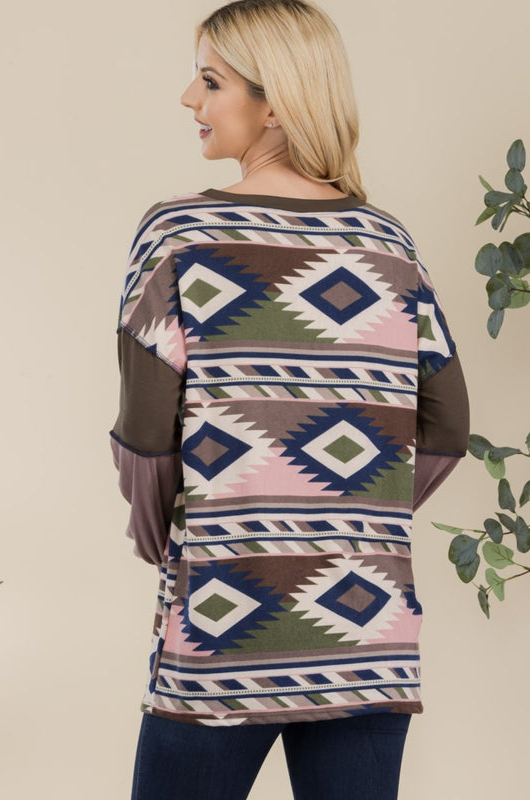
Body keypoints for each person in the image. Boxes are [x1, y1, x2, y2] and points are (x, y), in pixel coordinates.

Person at [110, 1, 470, 798]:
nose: (188, 98)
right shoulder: (390, 243)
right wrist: (349, 513)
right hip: (366, 630)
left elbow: (145, 437)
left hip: (225, 623)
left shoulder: (180, 235)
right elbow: (449, 425)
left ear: (274, 103)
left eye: (210, 81)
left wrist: (167, 536)